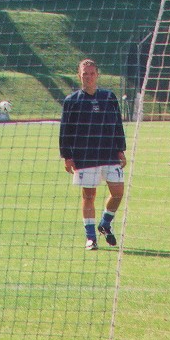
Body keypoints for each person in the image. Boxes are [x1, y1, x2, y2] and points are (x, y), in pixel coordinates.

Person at [59, 59, 127, 251]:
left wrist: (120, 149)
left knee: (118, 192)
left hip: (109, 153)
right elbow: (65, 131)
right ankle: (90, 238)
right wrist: (67, 156)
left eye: (91, 73)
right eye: (84, 74)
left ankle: (105, 223)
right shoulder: (71, 101)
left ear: (97, 74)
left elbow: (117, 125)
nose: (88, 77)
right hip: (85, 156)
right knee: (89, 196)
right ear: (79, 76)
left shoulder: (109, 97)